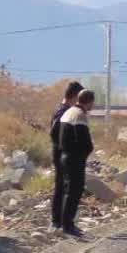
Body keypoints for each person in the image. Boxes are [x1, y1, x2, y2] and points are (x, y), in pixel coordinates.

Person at [56, 89, 97, 237]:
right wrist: (84, 155)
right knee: (74, 191)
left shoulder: (69, 112)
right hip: (74, 159)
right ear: (90, 101)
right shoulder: (80, 115)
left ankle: (66, 223)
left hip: (65, 156)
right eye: (93, 102)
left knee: (69, 191)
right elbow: (85, 142)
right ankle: (68, 225)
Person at [48, 80, 82, 233]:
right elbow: (56, 134)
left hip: (61, 154)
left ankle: (60, 222)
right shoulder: (63, 112)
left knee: (62, 187)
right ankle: (62, 223)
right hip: (63, 155)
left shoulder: (61, 110)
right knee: (66, 188)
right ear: (74, 96)